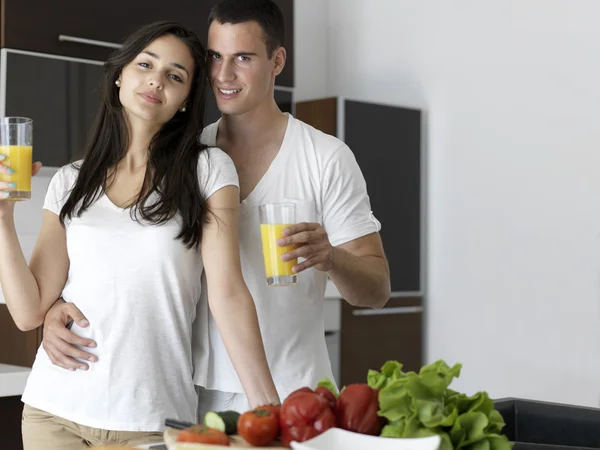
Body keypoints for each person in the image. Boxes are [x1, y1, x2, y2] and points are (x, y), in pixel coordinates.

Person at [41, 0, 391, 417]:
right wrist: (55, 310)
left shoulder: (325, 157)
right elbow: (124, 261)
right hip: (192, 394)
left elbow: (376, 290)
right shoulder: (185, 159)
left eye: (242, 58)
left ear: (277, 60)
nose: (224, 75)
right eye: (214, 58)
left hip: (292, 392)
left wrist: (331, 258)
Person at [0, 20, 278, 450]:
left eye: (175, 76)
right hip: (53, 412)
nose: (156, 80)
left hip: (151, 419)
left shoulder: (208, 170)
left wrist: (268, 410)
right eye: (145, 64)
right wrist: (2, 216)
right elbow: (27, 310)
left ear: (186, 100)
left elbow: (228, 295)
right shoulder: (71, 181)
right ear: (119, 77)